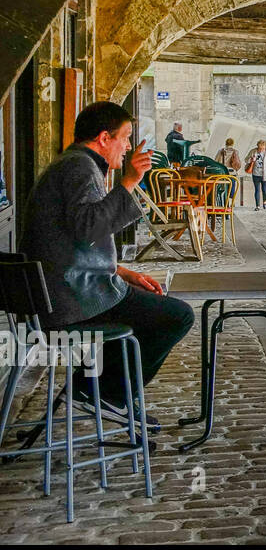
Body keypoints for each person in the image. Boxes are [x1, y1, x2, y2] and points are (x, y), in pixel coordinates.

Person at [19, 101, 194, 419]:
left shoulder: (73, 164)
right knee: (176, 316)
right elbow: (89, 227)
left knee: (140, 310)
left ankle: (92, 389)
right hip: (69, 302)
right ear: (104, 138)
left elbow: (70, 241)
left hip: (55, 296)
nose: (128, 147)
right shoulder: (80, 168)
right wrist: (129, 181)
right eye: (125, 138)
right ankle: (106, 395)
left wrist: (122, 271)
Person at [244, 139, 266, 211]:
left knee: (264, 190)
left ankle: (265, 201)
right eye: (259, 148)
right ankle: (257, 206)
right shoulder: (253, 151)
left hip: (265, 174)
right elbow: (246, 160)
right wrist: (251, 159)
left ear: (265, 147)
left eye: (262, 148)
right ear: (257, 146)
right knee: (257, 190)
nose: (261, 150)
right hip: (256, 174)